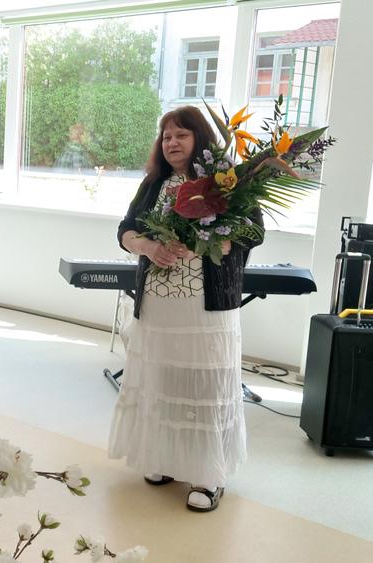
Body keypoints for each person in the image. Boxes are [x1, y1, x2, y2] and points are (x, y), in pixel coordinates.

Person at [108, 106, 264, 513]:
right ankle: (165, 458)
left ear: (200, 138)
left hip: (206, 307)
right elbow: (124, 229)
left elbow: (254, 229)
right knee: (164, 380)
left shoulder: (225, 180)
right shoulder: (153, 183)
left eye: (181, 135)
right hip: (159, 303)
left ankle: (209, 476)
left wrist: (220, 240)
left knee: (205, 386)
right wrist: (147, 246)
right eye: (166, 136)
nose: (172, 143)